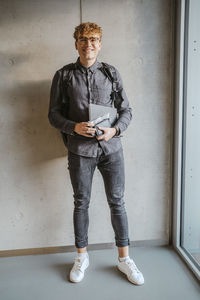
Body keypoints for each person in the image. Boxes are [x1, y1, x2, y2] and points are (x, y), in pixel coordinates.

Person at [48, 22, 144, 285]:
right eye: (82, 39)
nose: (88, 43)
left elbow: (126, 111)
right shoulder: (64, 75)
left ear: (99, 44)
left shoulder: (112, 73)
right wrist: (74, 127)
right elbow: (53, 115)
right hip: (79, 150)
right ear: (76, 43)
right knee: (81, 202)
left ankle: (125, 259)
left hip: (111, 149)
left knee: (117, 202)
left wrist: (114, 131)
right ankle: (81, 257)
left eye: (93, 39)